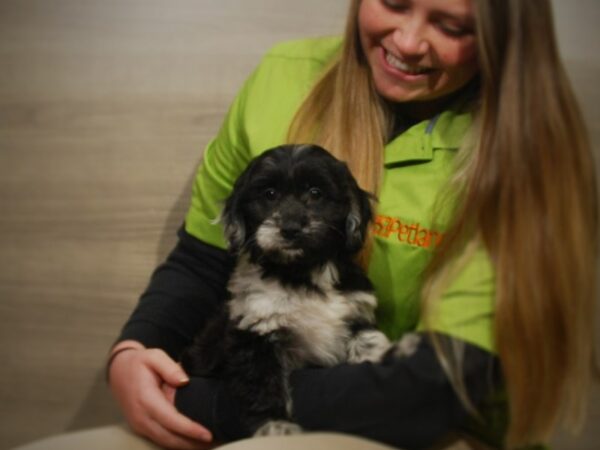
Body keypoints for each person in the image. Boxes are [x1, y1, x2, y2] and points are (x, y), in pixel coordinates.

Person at [108, 0, 598, 449]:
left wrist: (206, 403)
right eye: (393, 2)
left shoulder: (528, 159)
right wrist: (136, 351)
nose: (407, 42)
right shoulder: (282, 79)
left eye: (450, 26)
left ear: (504, 38)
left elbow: (436, 387)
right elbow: (204, 260)